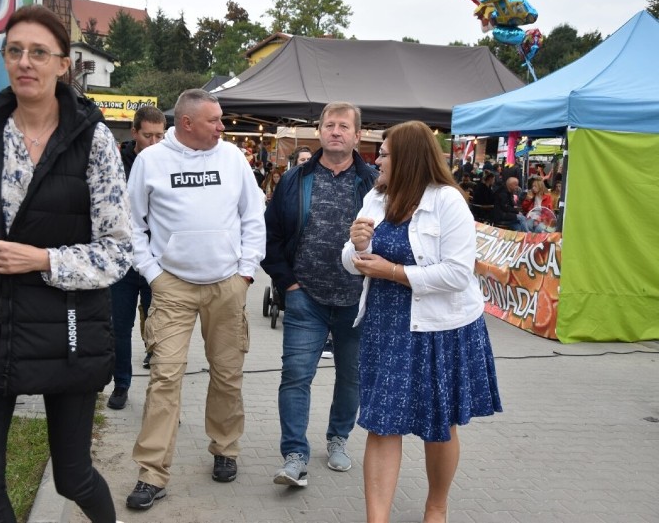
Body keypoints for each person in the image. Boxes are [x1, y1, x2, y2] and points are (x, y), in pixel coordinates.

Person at [0, 5, 131, 523]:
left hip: (66, 326)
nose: (26, 62)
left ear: (63, 65)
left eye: (39, 53)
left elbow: (117, 250)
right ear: (5, 60)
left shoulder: (95, 141)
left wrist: (42, 259)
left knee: (72, 477)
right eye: (15, 51)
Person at [342, 120, 502, 523]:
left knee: (439, 423)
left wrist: (393, 272)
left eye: (385, 153)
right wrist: (357, 247)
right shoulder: (376, 198)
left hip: (440, 330)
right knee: (381, 424)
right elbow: (351, 260)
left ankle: (436, 506)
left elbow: (457, 273)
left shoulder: (447, 202)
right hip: (385, 327)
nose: (376, 158)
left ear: (409, 158)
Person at [124, 89, 266, 510]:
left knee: (227, 372)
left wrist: (246, 272)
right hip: (174, 289)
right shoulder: (151, 161)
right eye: (215, 120)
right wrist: (153, 275)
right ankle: (152, 472)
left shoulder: (233, 159)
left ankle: (225, 448)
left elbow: (252, 215)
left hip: (227, 285)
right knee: (164, 376)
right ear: (187, 123)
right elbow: (132, 224)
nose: (223, 126)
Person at [262, 101, 377, 487]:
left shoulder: (374, 182)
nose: (336, 131)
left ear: (357, 135)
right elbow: (272, 236)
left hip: (357, 302)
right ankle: (294, 454)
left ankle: (338, 438)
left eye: (344, 126)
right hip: (305, 297)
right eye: (329, 125)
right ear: (320, 131)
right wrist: (289, 285)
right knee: (295, 375)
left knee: (351, 377)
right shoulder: (296, 179)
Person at [107, 106, 167, 410]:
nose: (155, 141)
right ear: (134, 133)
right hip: (124, 261)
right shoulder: (116, 163)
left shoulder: (173, 161)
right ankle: (121, 383)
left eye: (160, 135)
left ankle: (161, 395)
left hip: (160, 262)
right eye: (148, 135)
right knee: (119, 326)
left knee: (162, 329)